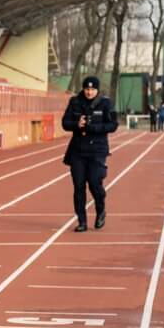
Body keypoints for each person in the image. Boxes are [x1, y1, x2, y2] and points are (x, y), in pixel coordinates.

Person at [62, 74, 116, 232]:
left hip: (97, 150)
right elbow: (65, 123)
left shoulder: (105, 103)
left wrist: (95, 128)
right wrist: (76, 124)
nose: (89, 92)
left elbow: (113, 125)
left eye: (92, 89)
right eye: (87, 89)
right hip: (78, 150)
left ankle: (101, 210)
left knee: (94, 183)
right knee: (78, 186)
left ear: (97, 90)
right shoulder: (75, 102)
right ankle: (82, 221)